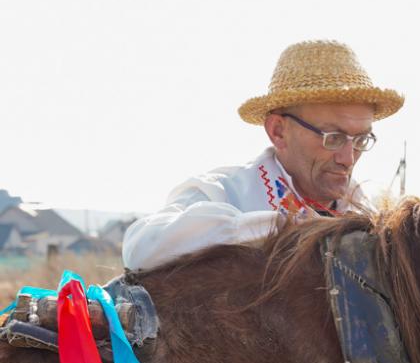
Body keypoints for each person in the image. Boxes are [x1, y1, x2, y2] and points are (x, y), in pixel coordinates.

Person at [122, 40, 404, 271]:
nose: (348, 158)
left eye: (361, 140)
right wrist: (275, 226)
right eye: (334, 138)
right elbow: (140, 249)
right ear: (278, 131)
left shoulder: (371, 216)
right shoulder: (222, 192)